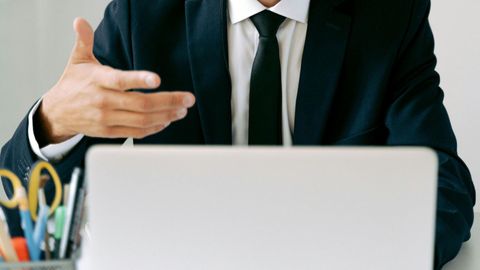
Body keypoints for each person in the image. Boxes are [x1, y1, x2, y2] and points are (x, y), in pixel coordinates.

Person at [0, 0, 475, 268]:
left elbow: (445, 191)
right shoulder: (141, 15)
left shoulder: (391, 16)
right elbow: (21, 214)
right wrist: (53, 122)